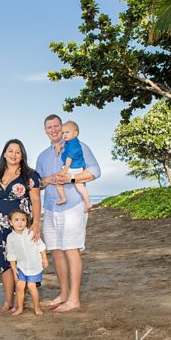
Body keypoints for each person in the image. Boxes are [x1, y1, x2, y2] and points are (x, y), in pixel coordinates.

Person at [35, 114, 101, 313]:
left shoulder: (77, 145)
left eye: (57, 126)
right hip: (51, 207)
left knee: (71, 249)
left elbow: (95, 171)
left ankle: (74, 299)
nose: (54, 130)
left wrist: (70, 179)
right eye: (50, 127)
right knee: (56, 251)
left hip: (73, 206)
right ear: (45, 130)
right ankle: (63, 294)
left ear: (62, 127)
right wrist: (48, 179)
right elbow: (38, 183)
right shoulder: (42, 156)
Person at [0, 139, 41, 313]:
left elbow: (35, 199)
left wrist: (36, 223)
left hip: (20, 225)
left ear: (22, 155)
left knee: (22, 259)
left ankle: (21, 300)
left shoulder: (29, 174)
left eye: (17, 152)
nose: (13, 155)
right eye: (10, 151)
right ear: (4, 153)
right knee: (3, 261)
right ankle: (8, 301)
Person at [6, 209, 49, 316]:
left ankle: (37, 307)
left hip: (34, 265)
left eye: (23, 220)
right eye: (16, 220)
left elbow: (40, 246)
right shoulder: (10, 237)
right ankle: (20, 308)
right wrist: (14, 268)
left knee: (31, 286)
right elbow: (11, 254)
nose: (20, 223)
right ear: (10, 222)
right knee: (20, 287)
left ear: (27, 221)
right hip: (21, 266)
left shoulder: (31, 233)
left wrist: (44, 258)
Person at [55, 121, 93, 212]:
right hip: (78, 168)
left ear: (75, 133)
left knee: (58, 181)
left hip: (72, 168)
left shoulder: (74, 146)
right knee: (80, 186)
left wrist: (65, 170)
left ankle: (63, 198)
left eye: (67, 132)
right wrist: (59, 146)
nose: (64, 135)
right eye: (63, 133)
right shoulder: (71, 142)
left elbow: (69, 158)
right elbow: (64, 144)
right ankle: (88, 203)